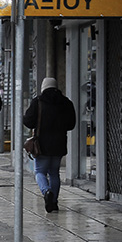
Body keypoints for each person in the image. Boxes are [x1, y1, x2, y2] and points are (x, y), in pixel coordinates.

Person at [24, 77, 76, 212]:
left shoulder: (38, 102)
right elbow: (71, 124)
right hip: (59, 144)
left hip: (42, 144)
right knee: (54, 173)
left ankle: (46, 191)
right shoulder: (66, 102)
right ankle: (53, 202)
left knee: (40, 171)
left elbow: (28, 121)